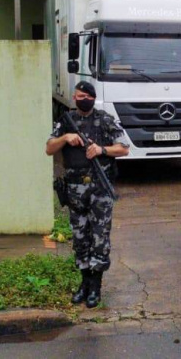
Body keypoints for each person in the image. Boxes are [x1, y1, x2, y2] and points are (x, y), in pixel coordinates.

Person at [46, 81, 130, 308]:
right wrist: (65, 138)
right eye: (77, 95)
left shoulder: (104, 120)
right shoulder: (66, 122)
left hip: (100, 192)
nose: (80, 99)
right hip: (75, 191)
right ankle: (83, 285)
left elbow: (124, 148)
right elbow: (48, 148)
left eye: (84, 95)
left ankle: (96, 287)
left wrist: (102, 150)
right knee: (81, 238)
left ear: (92, 97)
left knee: (100, 239)